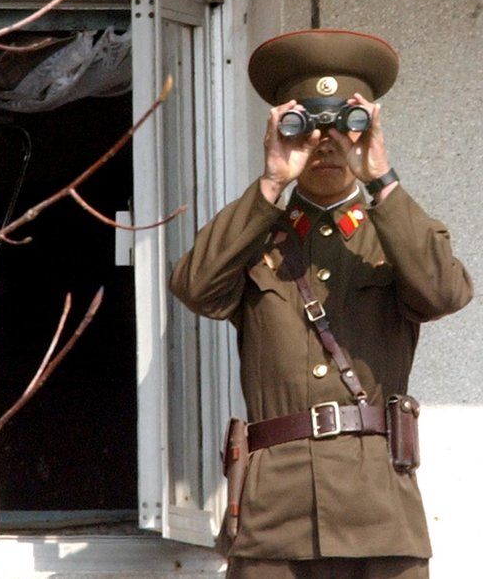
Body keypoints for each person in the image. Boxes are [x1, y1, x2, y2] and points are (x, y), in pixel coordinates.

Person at [169, 29, 473, 578]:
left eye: (343, 126)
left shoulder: (394, 238)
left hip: (379, 511)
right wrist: (269, 183)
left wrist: (381, 176)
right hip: (273, 517)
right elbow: (195, 288)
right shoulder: (257, 239)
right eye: (309, 126)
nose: (327, 142)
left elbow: (444, 293)